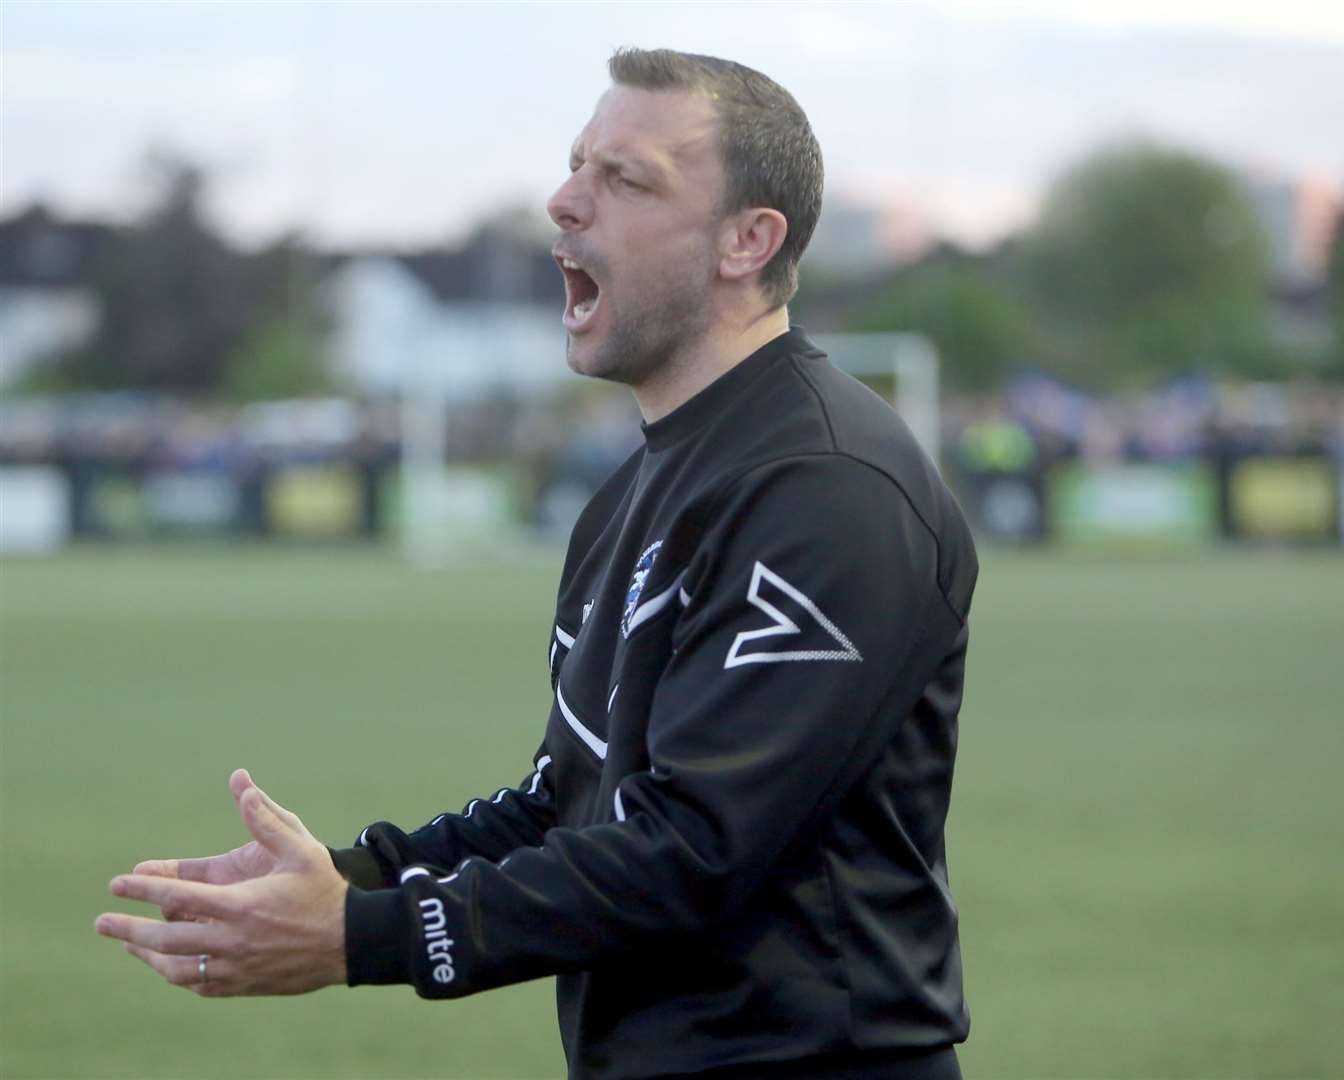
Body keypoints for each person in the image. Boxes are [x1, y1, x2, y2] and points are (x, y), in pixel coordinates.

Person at [96, 48, 978, 1080]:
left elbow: (688, 851)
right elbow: (572, 797)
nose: (563, 202)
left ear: (747, 239)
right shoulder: (636, 489)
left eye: (625, 179)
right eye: (574, 166)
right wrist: (348, 876)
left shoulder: (825, 487)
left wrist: (360, 937)